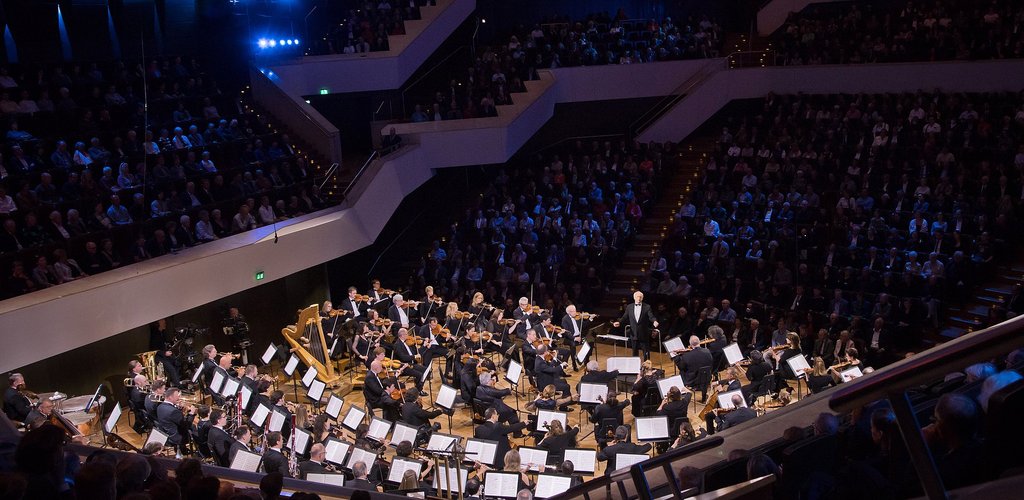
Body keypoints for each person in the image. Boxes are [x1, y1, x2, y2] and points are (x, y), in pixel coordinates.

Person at [612, 291, 660, 359]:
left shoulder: (647, 307)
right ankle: (635, 366)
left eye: (640, 297)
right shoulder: (629, 307)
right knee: (634, 351)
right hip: (633, 333)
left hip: (643, 333)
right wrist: (619, 322)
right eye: (637, 297)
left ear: (642, 298)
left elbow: (651, 316)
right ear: (634, 297)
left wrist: (654, 321)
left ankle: (647, 366)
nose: (639, 298)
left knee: (646, 351)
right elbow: (624, 317)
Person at [155, 388, 196, 456]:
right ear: (170, 397)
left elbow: (174, 419)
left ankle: (183, 450)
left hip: (168, 433)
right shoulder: (173, 411)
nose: (179, 398)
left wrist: (180, 408)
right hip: (177, 437)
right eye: (177, 396)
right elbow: (186, 425)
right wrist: (191, 414)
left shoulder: (160, 406)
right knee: (194, 429)